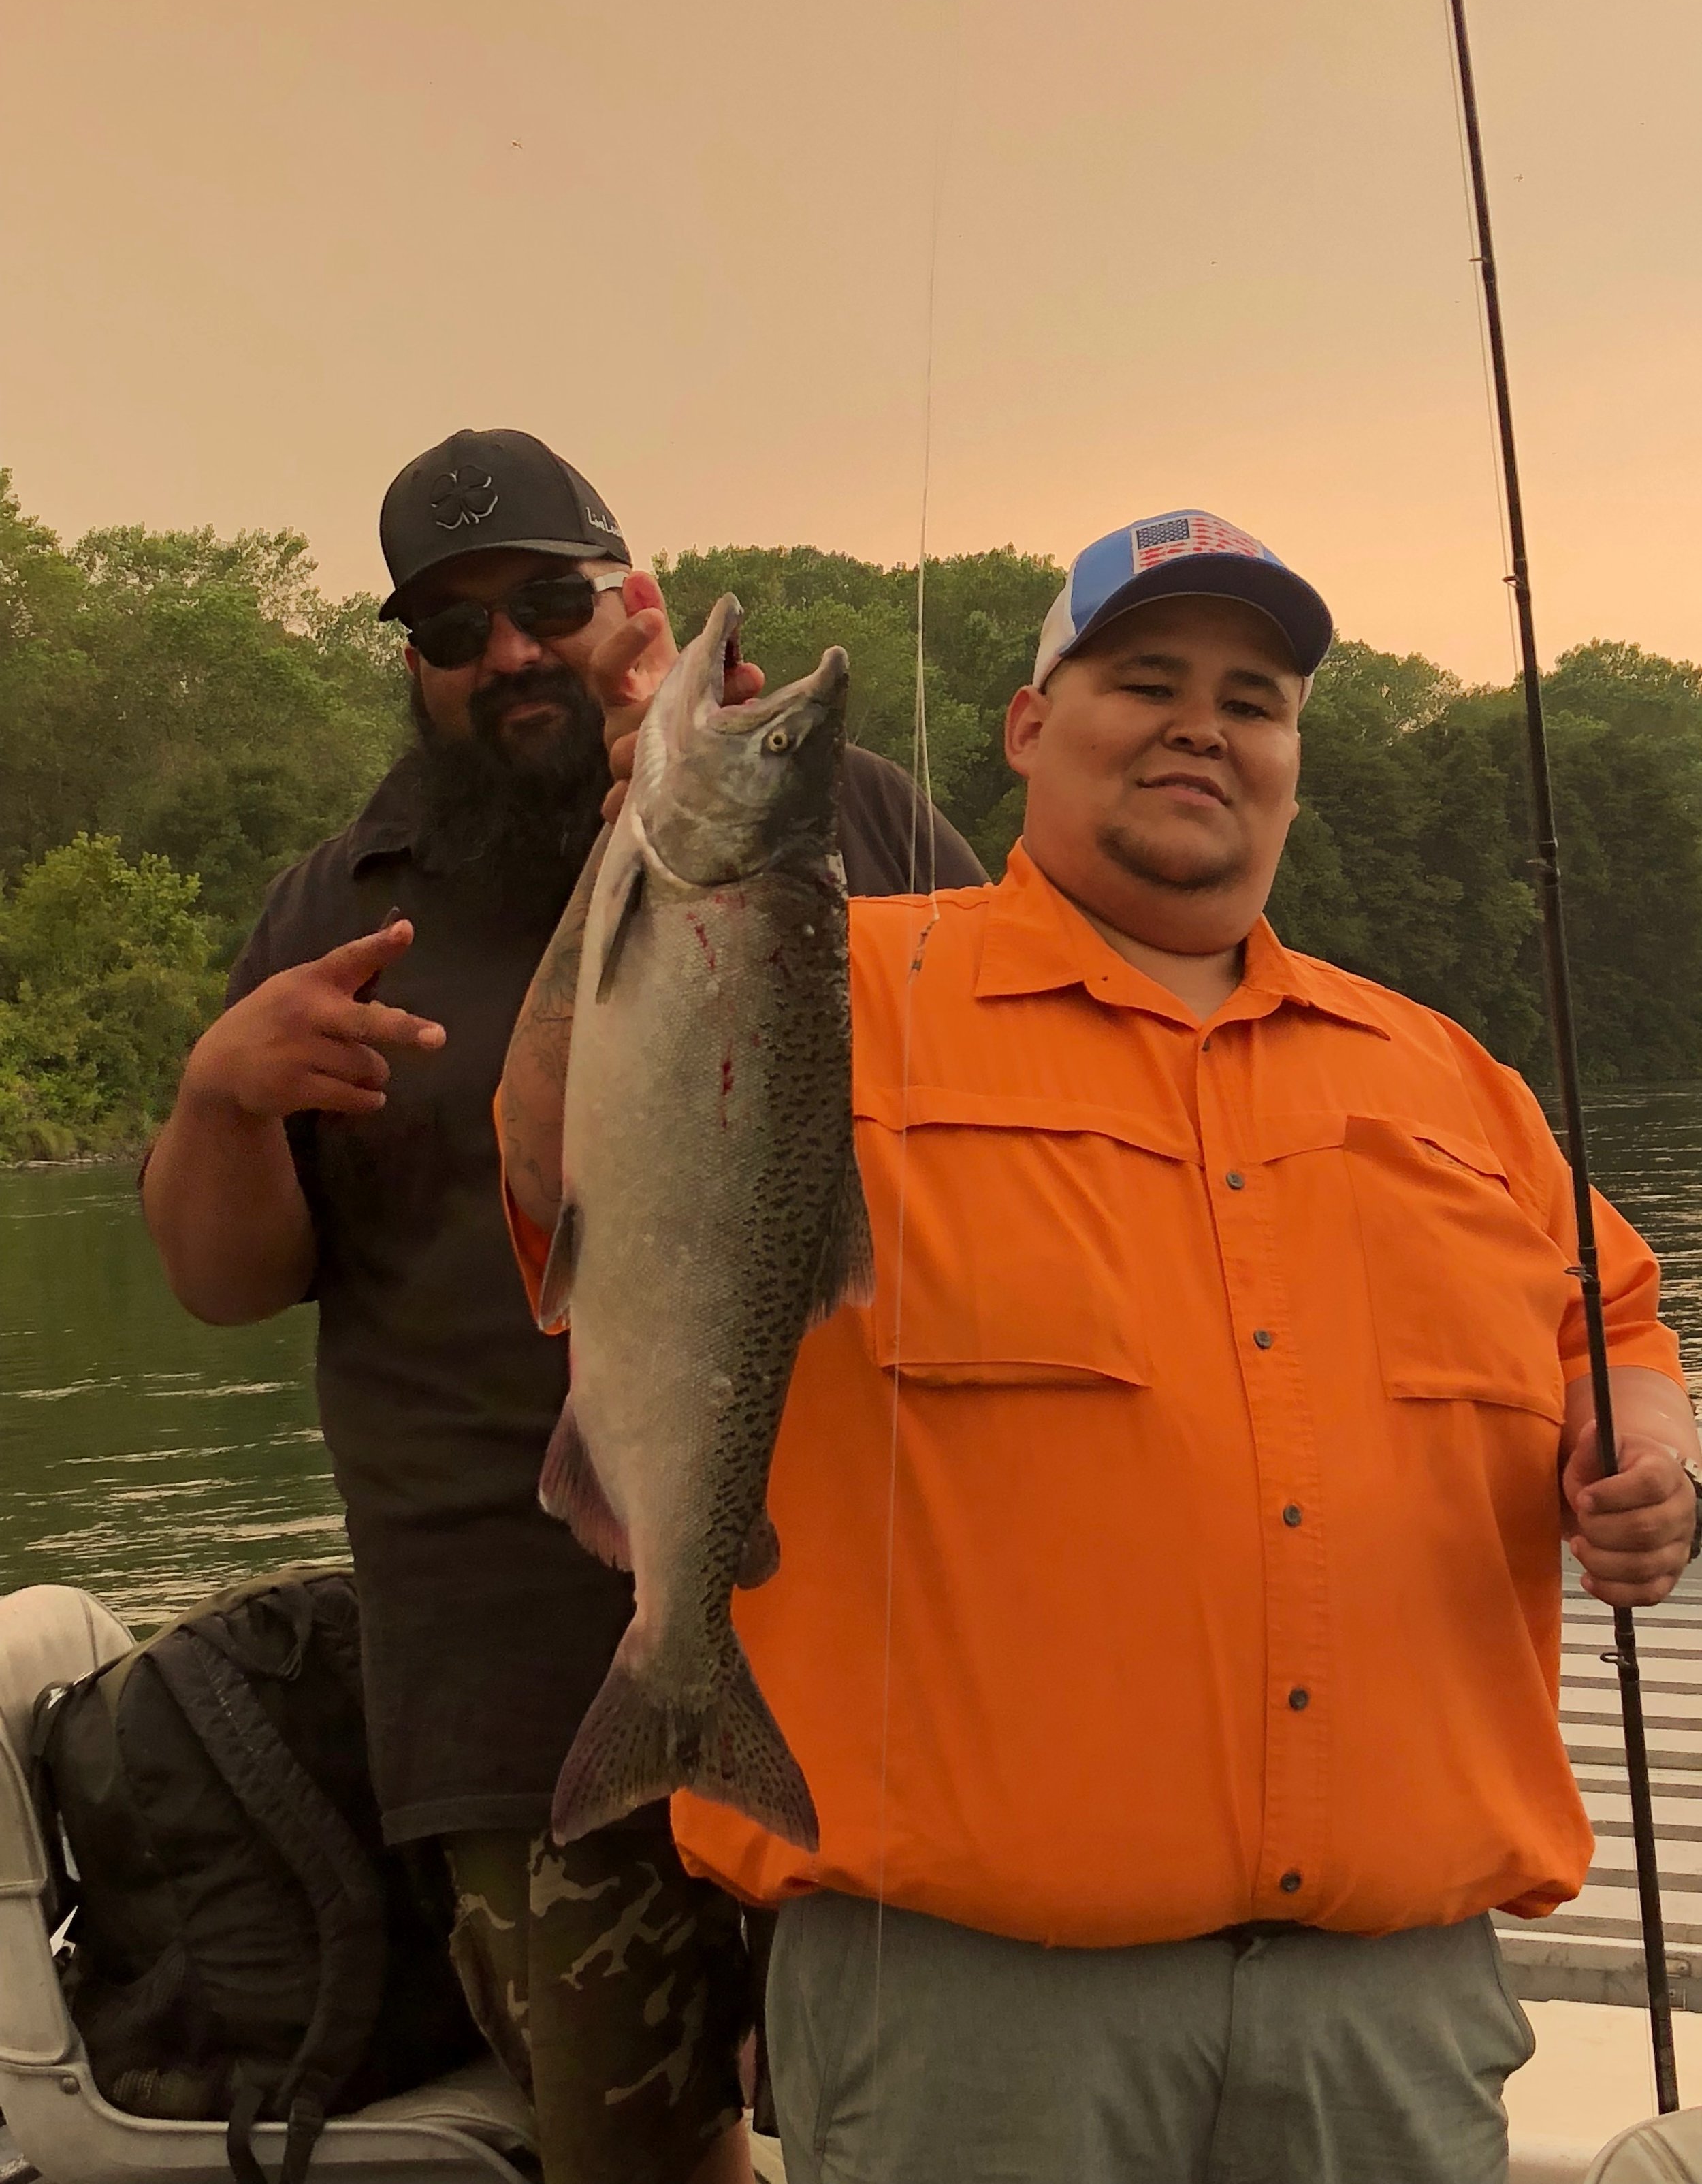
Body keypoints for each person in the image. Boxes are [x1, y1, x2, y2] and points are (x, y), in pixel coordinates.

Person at [500, 507, 1702, 2184]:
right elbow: (562, 1140)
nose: (1201, 722)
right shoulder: (812, 983)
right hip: (973, 2023)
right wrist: (645, 832)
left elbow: (1615, 1317)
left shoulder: (1444, 1074)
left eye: (1253, 696)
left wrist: (1648, 1443)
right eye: (1141, 679)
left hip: (1392, 2013)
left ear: (1290, 753)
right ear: (1024, 726)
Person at [140, 426, 985, 2184]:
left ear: (640, 602)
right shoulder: (336, 902)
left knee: (937, 2136)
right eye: (456, 630)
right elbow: (225, 1285)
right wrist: (223, 1096)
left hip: (895, 1642)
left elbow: (1035, 1129)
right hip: (524, 1705)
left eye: (549, 598)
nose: (512, 650)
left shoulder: (852, 822)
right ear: (414, 668)